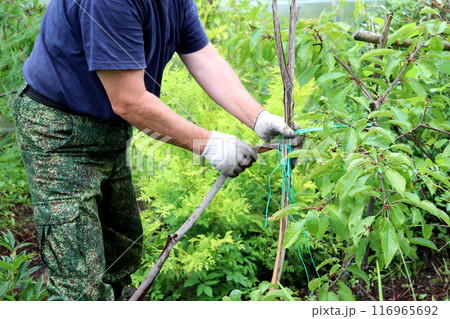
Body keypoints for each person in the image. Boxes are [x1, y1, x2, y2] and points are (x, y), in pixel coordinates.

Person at [13, 0, 295, 301]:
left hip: (110, 128)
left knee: (120, 250)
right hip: (59, 129)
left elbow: (205, 60)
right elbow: (129, 100)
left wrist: (259, 118)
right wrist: (209, 144)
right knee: (78, 278)